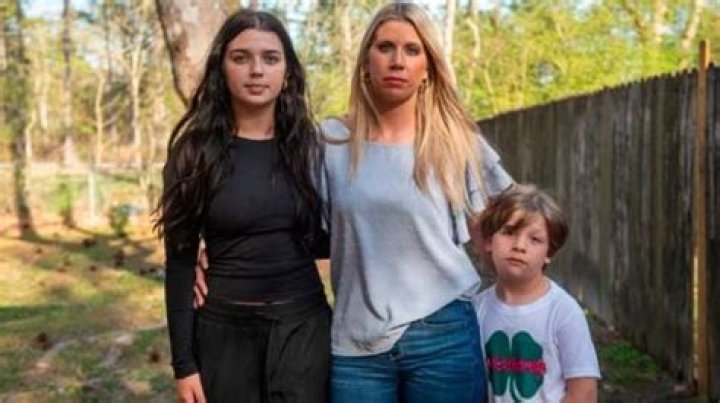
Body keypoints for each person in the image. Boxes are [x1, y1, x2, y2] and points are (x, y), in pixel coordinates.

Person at [319, 3, 513, 402]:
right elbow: (280, 220)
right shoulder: (330, 141)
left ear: (428, 67)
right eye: (385, 47)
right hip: (356, 344)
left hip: (444, 334)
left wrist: (535, 301)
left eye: (412, 50)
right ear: (366, 61)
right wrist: (212, 251)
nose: (397, 61)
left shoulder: (455, 141)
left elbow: (510, 222)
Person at [155, 9, 330, 403]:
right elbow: (179, 264)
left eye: (270, 58)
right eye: (241, 58)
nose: (256, 70)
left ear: (287, 70)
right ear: (222, 67)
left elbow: (330, 237)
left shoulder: (313, 148)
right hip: (223, 338)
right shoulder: (195, 152)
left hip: (304, 333)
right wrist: (184, 365)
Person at [471, 184, 600, 402]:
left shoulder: (564, 313)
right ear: (489, 241)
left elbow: (584, 394)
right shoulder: (477, 309)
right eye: (509, 232)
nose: (519, 246)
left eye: (535, 239)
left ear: (549, 252)